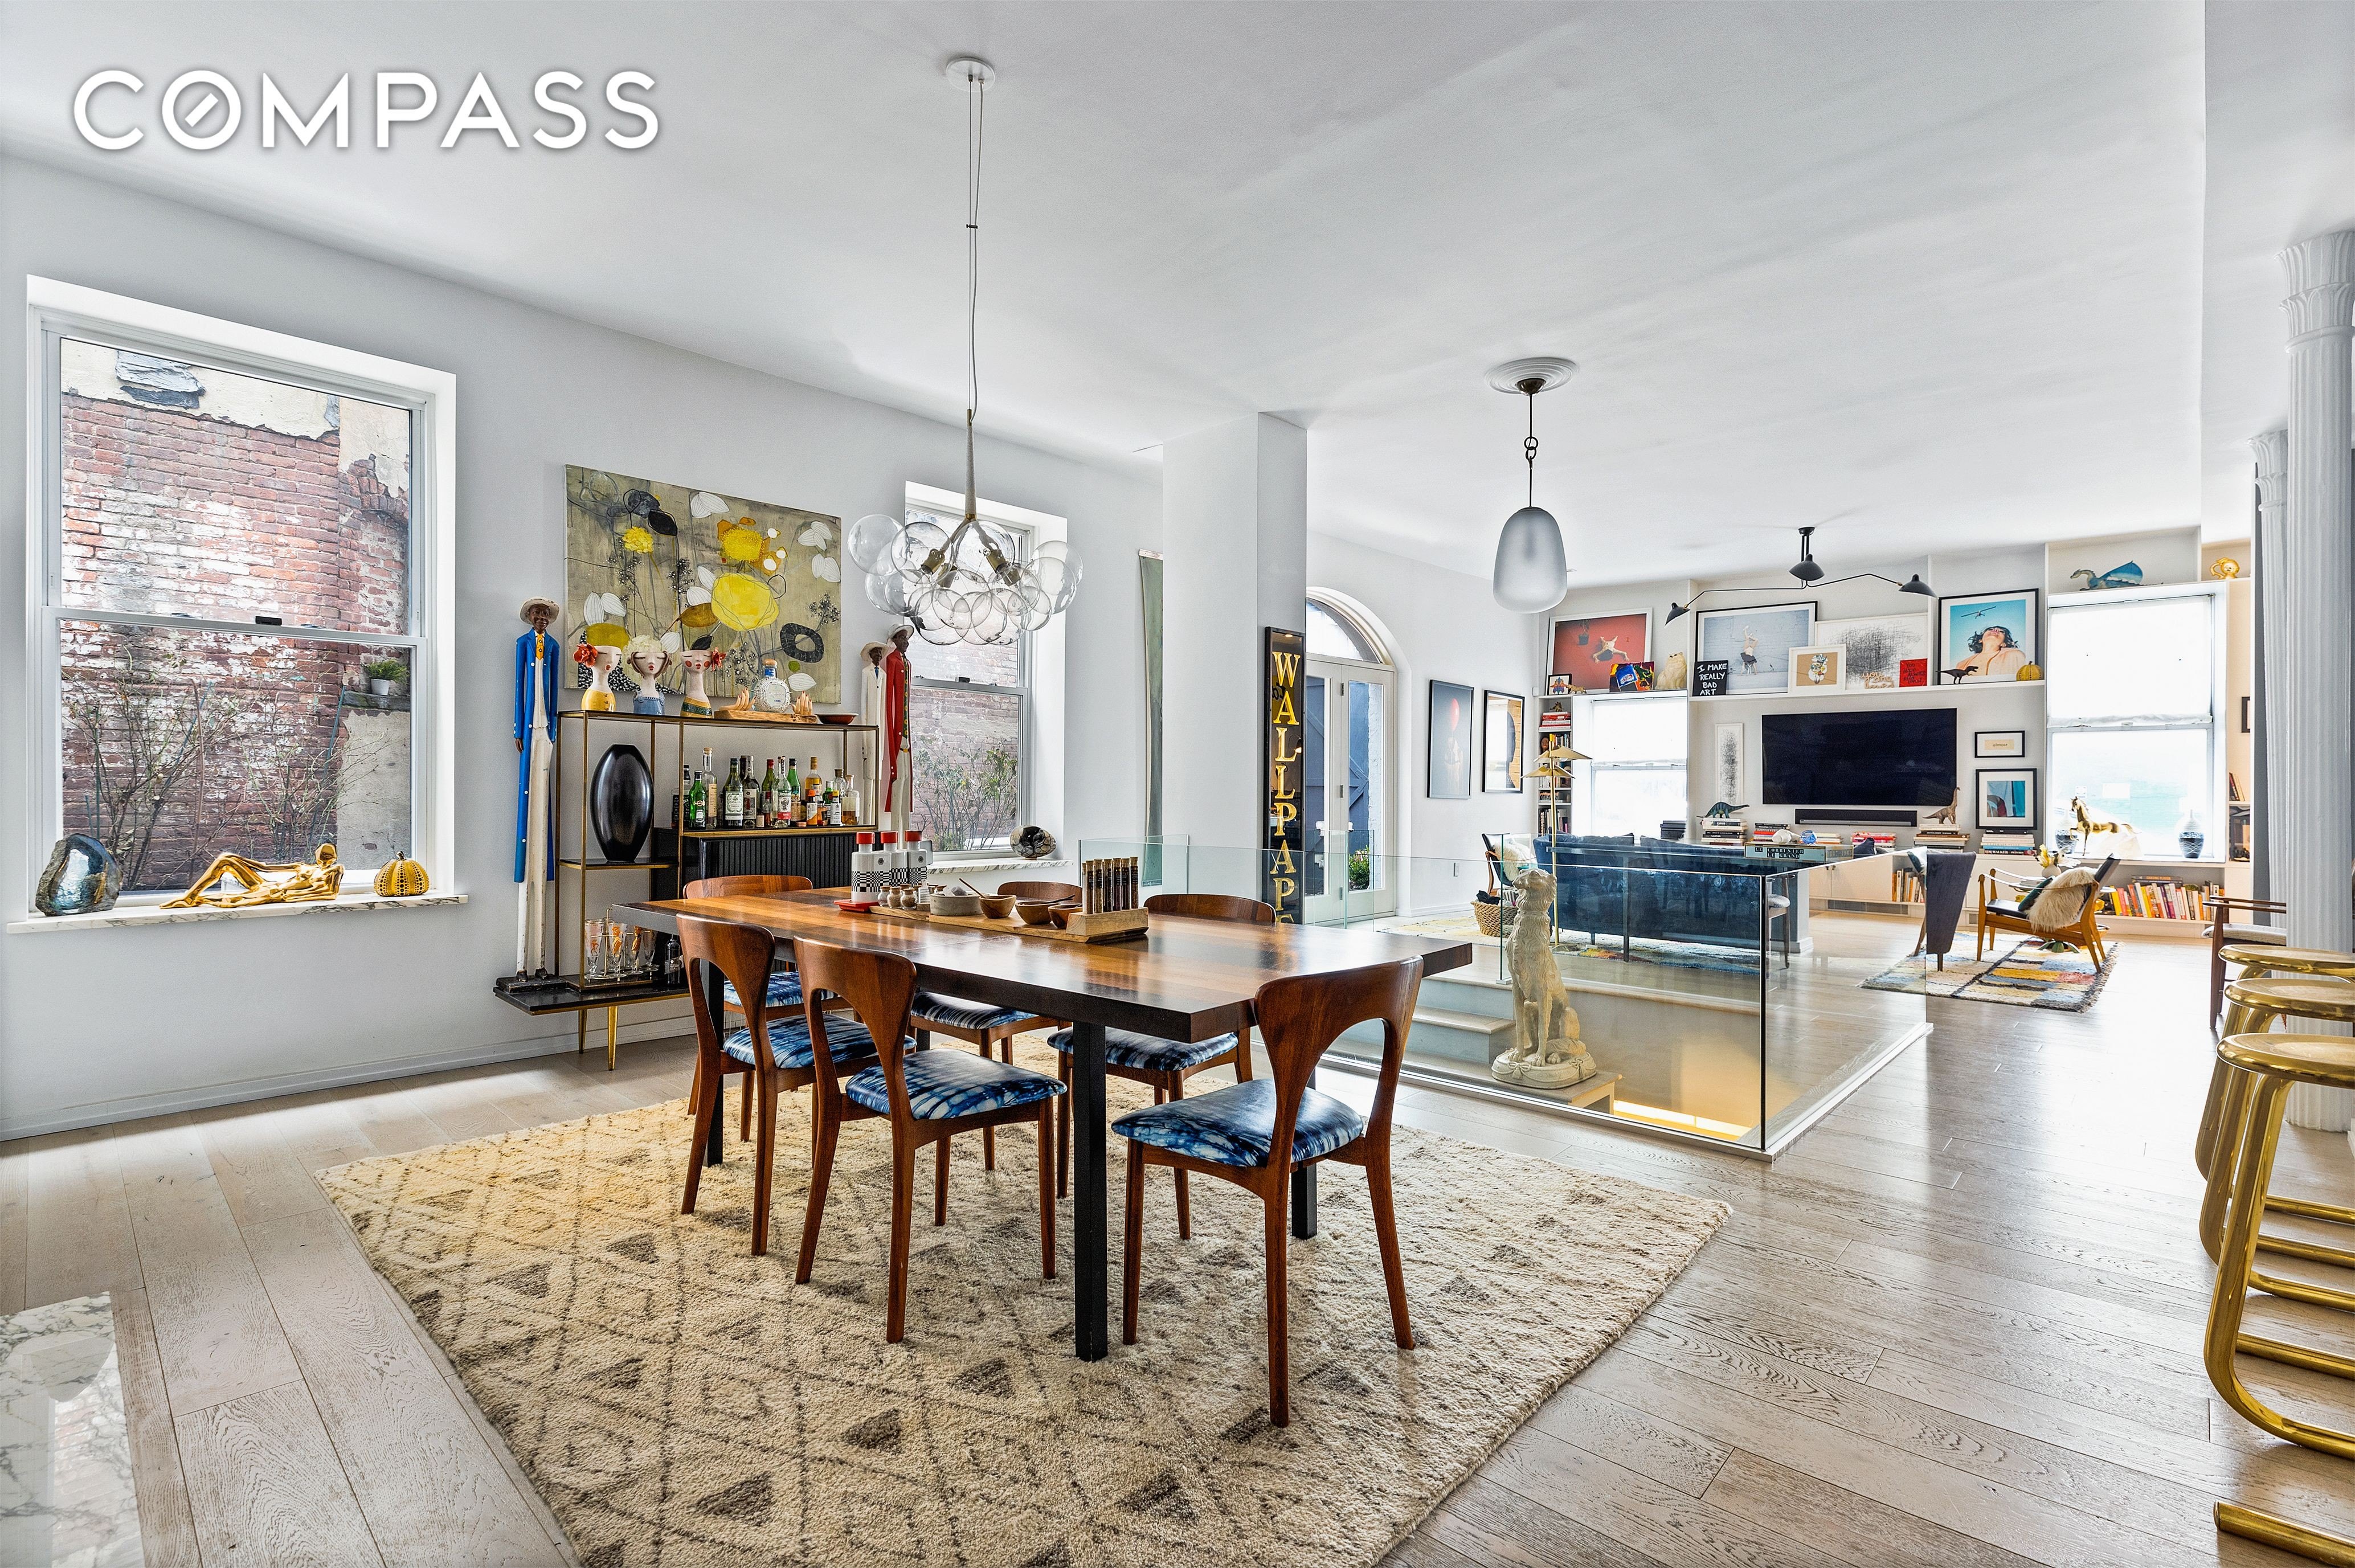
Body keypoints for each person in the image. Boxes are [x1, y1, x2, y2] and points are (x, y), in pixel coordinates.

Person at [514, 597, 560, 975]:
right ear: (531, 618)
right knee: (528, 813)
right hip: (530, 728)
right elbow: (519, 685)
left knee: (544, 814)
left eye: (546, 615)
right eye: (537, 614)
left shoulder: (554, 647)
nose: (541, 619)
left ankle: (542, 962)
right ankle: (523, 963)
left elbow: (555, 686)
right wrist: (518, 727)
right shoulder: (523, 644)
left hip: (547, 728)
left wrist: (554, 729)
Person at [1948, 624, 2027, 681]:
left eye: (2001, 632)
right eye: (1990, 629)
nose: (1995, 630)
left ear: (2004, 644)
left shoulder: (2015, 656)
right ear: (1980, 640)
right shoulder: (1962, 664)